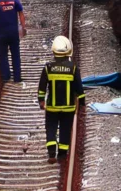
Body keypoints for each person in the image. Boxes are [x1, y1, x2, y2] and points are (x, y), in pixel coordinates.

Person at [38, 36, 85, 165]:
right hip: (68, 107)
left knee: (51, 128)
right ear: (68, 52)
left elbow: (42, 87)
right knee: (65, 129)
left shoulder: (48, 68)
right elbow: (79, 88)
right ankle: (63, 155)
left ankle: (52, 153)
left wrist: (41, 101)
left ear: (53, 52)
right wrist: (82, 103)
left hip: (52, 107)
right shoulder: (73, 68)